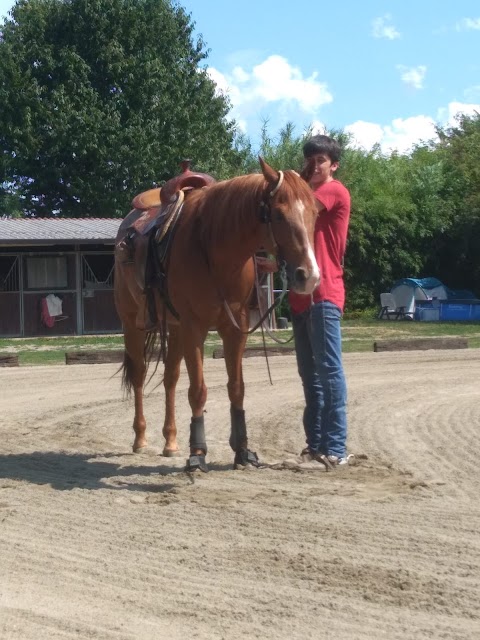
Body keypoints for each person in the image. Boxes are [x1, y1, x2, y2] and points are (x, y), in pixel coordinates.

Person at [288, 134, 352, 470]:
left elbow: (300, 208)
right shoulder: (308, 191)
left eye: (320, 160)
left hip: (325, 293)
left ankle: (336, 448)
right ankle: (314, 446)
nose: (314, 165)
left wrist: (292, 182)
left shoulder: (334, 191)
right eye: (310, 158)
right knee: (309, 376)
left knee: (328, 372)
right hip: (301, 298)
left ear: (333, 165)